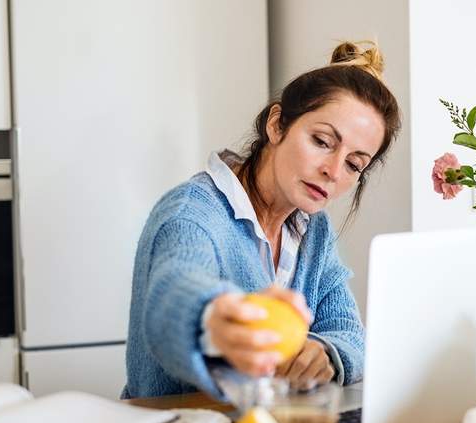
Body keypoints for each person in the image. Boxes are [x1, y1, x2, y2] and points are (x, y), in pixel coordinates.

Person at [122, 40, 401, 399]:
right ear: (276, 125)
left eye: (353, 164)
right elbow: (171, 295)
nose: (333, 171)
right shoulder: (191, 213)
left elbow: (350, 336)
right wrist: (211, 320)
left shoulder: (313, 231)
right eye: (321, 141)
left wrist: (326, 354)